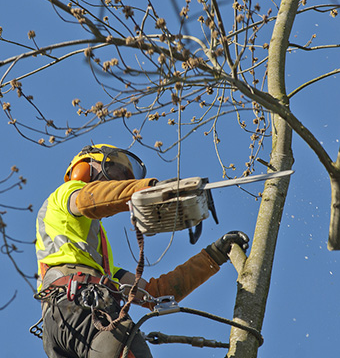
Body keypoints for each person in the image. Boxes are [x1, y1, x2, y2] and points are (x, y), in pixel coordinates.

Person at [35, 144, 249, 358]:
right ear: (83, 169)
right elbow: (91, 198)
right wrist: (149, 189)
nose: (116, 184)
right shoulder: (66, 194)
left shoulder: (97, 267)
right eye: (112, 174)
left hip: (60, 327)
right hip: (82, 307)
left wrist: (212, 256)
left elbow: (156, 293)